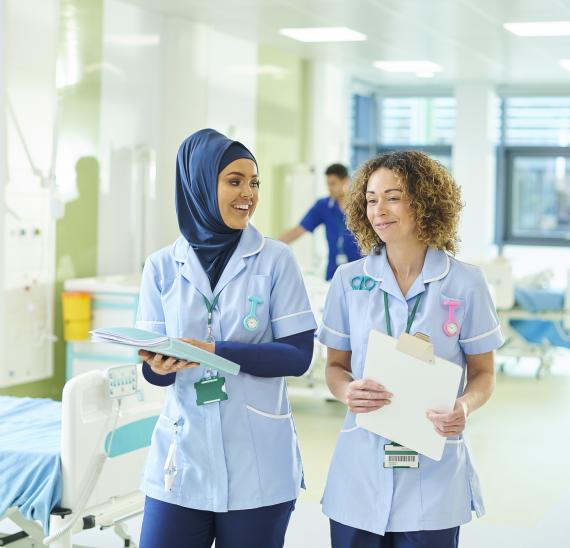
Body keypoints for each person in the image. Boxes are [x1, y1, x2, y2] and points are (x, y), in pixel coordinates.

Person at [136, 128, 317, 548]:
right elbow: (154, 373)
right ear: (198, 184)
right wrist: (159, 366)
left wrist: (214, 353)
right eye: (234, 181)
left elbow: (297, 355)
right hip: (182, 460)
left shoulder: (275, 260)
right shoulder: (162, 266)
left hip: (257, 463)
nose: (248, 194)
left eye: (254, 183)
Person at [316, 151, 503, 548]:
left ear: (423, 201)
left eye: (392, 196)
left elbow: (484, 373)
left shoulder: (465, 282)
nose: (378, 210)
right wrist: (346, 391)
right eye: (370, 198)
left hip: (432, 477)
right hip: (360, 473)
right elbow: (335, 366)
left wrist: (464, 406)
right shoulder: (349, 280)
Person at [279, 163, 360, 280]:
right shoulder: (323, 206)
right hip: (334, 274)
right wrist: (271, 246)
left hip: (360, 273)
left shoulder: (361, 205)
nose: (329, 188)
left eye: (333, 184)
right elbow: (298, 230)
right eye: (328, 184)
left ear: (345, 181)